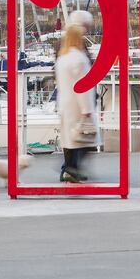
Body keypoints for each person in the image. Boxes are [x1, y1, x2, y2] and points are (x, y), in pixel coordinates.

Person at [55, 21, 97, 183]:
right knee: (86, 139)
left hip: (65, 103)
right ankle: (72, 169)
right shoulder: (79, 59)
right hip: (77, 105)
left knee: (70, 139)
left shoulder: (62, 58)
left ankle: (69, 169)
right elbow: (83, 86)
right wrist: (87, 108)